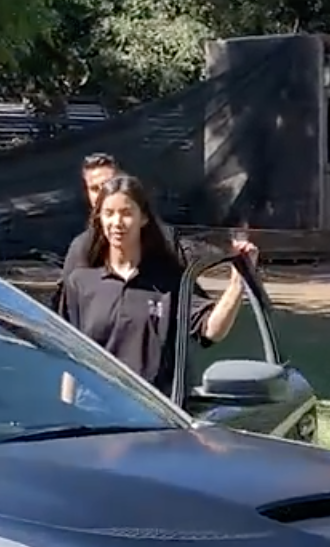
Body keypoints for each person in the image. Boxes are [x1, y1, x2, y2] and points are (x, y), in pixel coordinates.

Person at [46, 172, 245, 390]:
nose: (117, 222)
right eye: (109, 213)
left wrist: (237, 283)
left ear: (144, 218)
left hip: (156, 419)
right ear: (99, 219)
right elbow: (72, 356)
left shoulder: (169, 280)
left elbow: (211, 330)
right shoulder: (80, 283)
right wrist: (70, 409)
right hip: (96, 414)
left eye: (126, 213)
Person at [61, 150, 258, 271]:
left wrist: (231, 254)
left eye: (109, 184)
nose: (103, 193)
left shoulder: (162, 241)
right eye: (94, 188)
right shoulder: (80, 250)